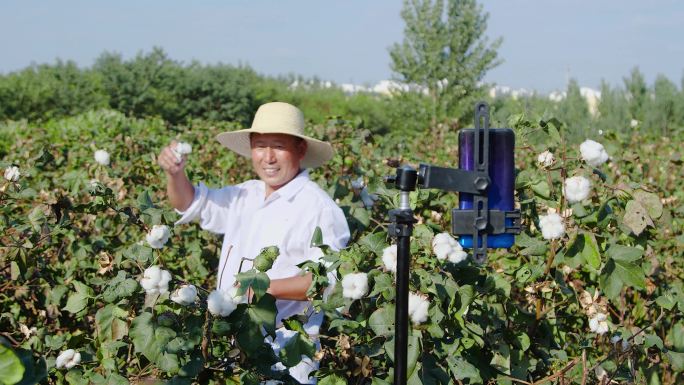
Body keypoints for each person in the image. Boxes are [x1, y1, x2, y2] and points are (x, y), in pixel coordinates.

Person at [158, 101, 350, 384]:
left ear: (300, 150)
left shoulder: (318, 208)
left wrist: (262, 288)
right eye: (260, 146)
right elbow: (190, 203)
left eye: (278, 146)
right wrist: (174, 174)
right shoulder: (245, 195)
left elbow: (331, 284)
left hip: (285, 357)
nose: (268, 157)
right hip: (232, 350)